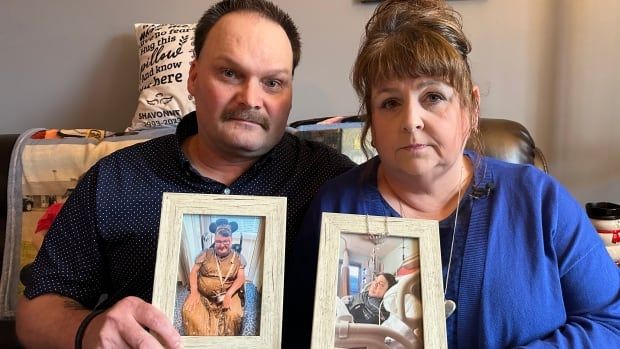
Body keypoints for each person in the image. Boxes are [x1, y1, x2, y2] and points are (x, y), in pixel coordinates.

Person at [15, 1, 355, 348]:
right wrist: (90, 331)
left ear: (289, 95)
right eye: (229, 73)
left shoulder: (335, 182)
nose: (251, 98)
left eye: (272, 82)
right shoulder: (115, 179)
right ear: (193, 77)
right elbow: (35, 313)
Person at [290, 0, 620, 347]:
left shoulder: (540, 200)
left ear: (471, 108)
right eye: (390, 102)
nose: (411, 121)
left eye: (433, 96)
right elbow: (297, 332)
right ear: (371, 120)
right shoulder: (336, 205)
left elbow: (611, 322)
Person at [182, 219, 246, 336]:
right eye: (218, 241)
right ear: (214, 241)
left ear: (231, 240)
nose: (222, 245)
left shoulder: (238, 258)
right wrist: (194, 292)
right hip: (203, 296)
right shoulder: (205, 253)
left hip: (228, 295)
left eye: (226, 241)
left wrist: (229, 294)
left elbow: (241, 278)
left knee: (233, 316)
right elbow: (193, 272)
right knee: (189, 312)